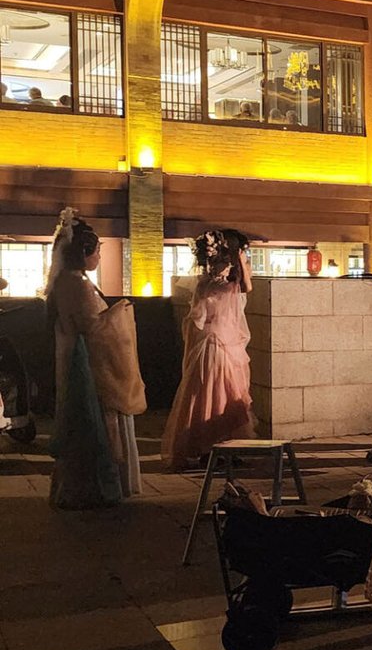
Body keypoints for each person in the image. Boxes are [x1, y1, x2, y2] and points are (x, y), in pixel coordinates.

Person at [46, 208, 146, 507]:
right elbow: (94, 327)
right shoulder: (77, 285)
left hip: (78, 360)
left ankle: (80, 488)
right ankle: (96, 489)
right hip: (88, 367)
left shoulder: (65, 282)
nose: (100, 256)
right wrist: (119, 312)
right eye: (97, 251)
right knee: (93, 426)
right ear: (83, 253)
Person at [162, 229, 256, 470]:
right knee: (218, 393)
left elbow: (198, 318)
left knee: (216, 393)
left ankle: (216, 446)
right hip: (217, 345)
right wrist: (239, 260)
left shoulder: (210, 284)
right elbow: (246, 286)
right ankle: (214, 446)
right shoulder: (221, 286)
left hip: (217, 342)